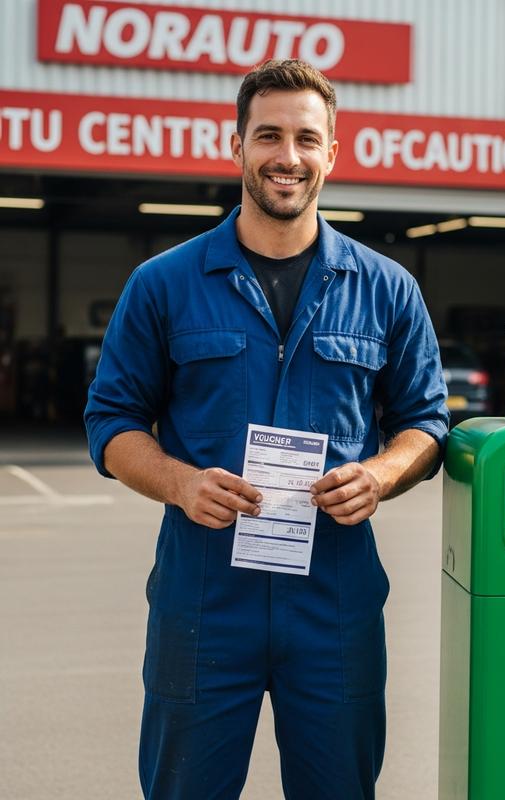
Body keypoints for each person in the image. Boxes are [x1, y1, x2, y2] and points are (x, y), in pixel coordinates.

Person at [85, 59, 448, 800]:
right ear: (238, 146)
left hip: (334, 604)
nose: (288, 157)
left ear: (332, 153)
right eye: (269, 136)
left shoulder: (386, 289)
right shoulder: (165, 284)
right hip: (205, 602)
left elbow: (427, 422)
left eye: (307, 139)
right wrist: (181, 482)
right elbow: (111, 421)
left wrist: (379, 474)